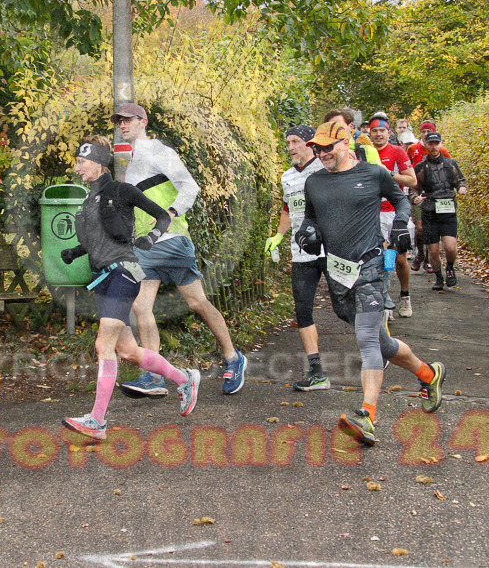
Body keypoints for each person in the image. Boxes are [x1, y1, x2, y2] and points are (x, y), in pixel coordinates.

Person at [295, 120, 446, 447]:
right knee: (381, 343)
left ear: (346, 143)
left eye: (328, 147)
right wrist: (307, 232)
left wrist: (402, 223)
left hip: (372, 264)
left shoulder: (373, 174)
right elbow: (310, 218)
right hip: (338, 273)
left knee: (366, 338)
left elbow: (403, 199)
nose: (322, 153)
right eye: (317, 148)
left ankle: (367, 415)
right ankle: (428, 375)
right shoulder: (314, 183)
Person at [59, 136, 201, 439]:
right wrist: (74, 252)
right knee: (128, 351)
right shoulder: (88, 201)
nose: (77, 168)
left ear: (98, 162)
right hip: (102, 280)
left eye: (81, 162)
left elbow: (162, 215)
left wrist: (151, 238)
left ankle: (97, 421)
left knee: (102, 346)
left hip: (125, 272)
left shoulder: (122, 191)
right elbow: (99, 241)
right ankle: (184, 378)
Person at [113, 103, 246, 398]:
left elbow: (190, 186)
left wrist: (170, 215)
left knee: (196, 303)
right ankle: (154, 374)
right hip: (148, 245)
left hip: (171, 241)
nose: (123, 125)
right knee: (142, 305)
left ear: (143, 122)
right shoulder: (133, 161)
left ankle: (233, 358)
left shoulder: (158, 151)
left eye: (129, 120)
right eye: (120, 121)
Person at [264, 125, 329, 391]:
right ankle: (316, 372)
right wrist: (278, 236)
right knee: (302, 310)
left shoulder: (325, 170)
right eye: (288, 142)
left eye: (296, 142)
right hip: (301, 252)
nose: (290, 147)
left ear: (310, 144)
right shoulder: (287, 176)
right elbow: (288, 210)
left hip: (330, 249)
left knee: (345, 308)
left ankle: (380, 345)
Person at [367, 114, 417, 320]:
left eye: (382, 130)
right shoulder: (363, 153)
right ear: (369, 133)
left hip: (395, 212)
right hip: (372, 213)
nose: (378, 134)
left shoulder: (397, 151)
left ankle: (405, 296)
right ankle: (384, 302)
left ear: (389, 132)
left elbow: (412, 180)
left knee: (400, 259)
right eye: (374, 131)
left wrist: (388, 174)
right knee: (379, 259)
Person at [411, 131, 467, 291]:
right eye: (431, 144)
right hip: (430, 211)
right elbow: (414, 188)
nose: (434, 147)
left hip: (448, 209)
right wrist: (415, 199)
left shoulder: (450, 164)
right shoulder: (420, 167)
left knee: (450, 246)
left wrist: (462, 188)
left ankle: (449, 267)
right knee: (433, 250)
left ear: (441, 144)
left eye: (437, 143)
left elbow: (460, 181)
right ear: (426, 145)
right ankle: (438, 277)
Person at [407, 121, 452, 273]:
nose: (426, 134)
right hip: (417, 191)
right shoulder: (413, 148)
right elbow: (406, 166)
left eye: (429, 131)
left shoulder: (442, 150)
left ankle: (427, 258)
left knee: (429, 228)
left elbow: (449, 168)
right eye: (424, 131)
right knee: (419, 227)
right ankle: (419, 253)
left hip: (434, 197)